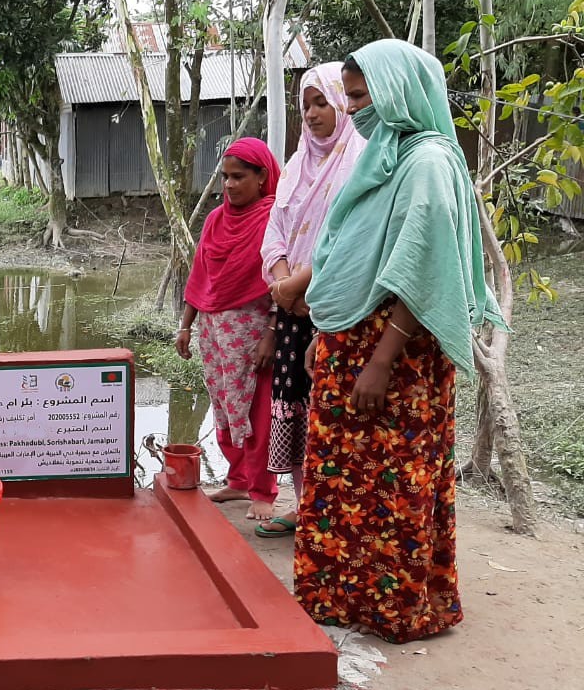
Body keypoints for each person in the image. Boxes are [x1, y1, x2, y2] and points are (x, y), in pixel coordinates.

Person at [297, 39, 506, 643]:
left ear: (398, 91)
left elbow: (424, 270)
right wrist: (328, 331)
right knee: (342, 475)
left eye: (362, 96)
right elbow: (352, 256)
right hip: (354, 345)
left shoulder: (429, 163)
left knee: (395, 480)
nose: (355, 108)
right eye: (352, 96)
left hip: (398, 357)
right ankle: (339, 595)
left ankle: (396, 606)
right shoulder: (387, 153)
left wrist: (381, 361)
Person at [255, 62, 367, 539]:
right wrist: (280, 281)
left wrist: (300, 283)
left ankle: (333, 512)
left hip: (334, 307)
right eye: (306, 105)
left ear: (343, 103)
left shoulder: (360, 161)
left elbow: (348, 238)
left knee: (329, 410)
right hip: (290, 309)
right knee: (294, 408)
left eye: (323, 102)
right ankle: (303, 506)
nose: (313, 113)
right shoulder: (298, 163)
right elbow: (275, 230)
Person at [176, 137, 281, 521]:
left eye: (239, 177)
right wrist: (186, 326)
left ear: (262, 177)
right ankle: (238, 480)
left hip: (253, 332)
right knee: (223, 407)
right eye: (225, 177)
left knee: (257, 412)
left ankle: (263, 490)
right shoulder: (216, 219)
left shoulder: (273, 219)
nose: (230, 185)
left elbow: (279, 283)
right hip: (214, 331)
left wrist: (272, 332)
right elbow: (200, 275)